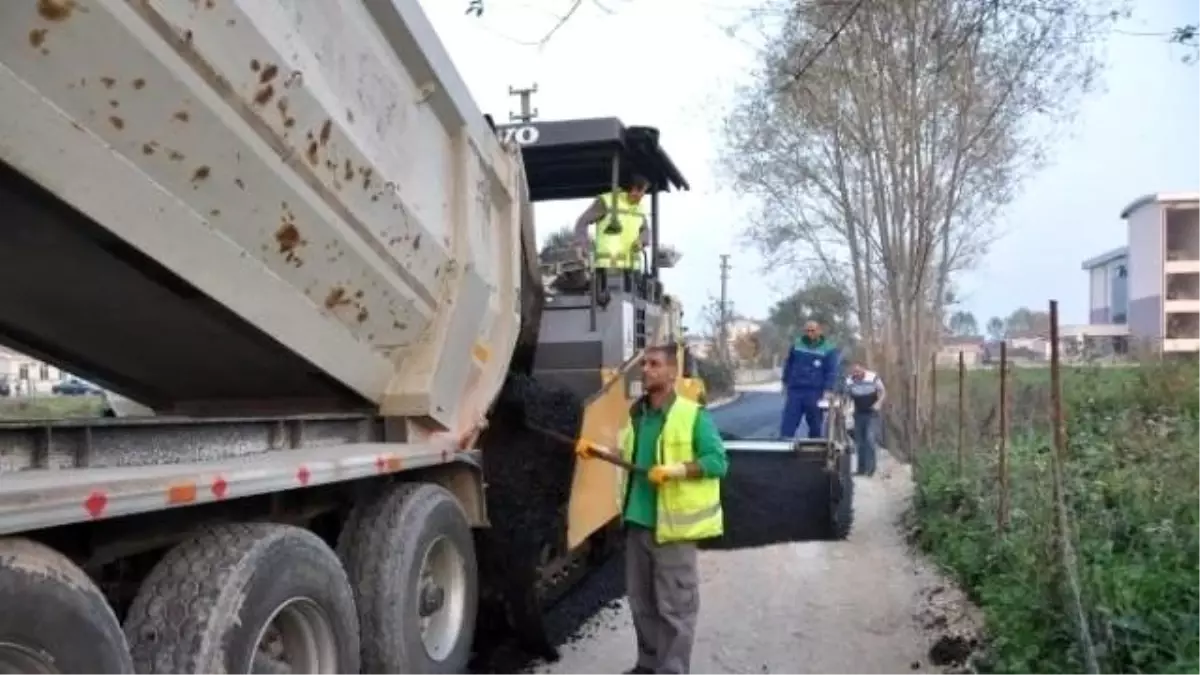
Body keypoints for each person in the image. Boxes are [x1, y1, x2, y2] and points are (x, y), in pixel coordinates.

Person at [577, 344, 729, 675]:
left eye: (654, 364)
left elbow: (719, 461)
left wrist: (676, 470)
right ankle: (648, 665)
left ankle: (672, 670)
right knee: (642, 604)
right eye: (644, 364)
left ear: (672, 372)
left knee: (675, 609)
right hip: (638, 524)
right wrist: (598, 450)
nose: (646, 369)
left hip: (672, 529)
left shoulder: (692, 415)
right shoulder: (637, 415)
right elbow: (630, 455)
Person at [573, 174, 651, 270]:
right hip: (608, 268)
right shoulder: (606, 202)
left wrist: (641, 240)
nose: (644, 195)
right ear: (634, 190)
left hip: (632, 270)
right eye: (643, 191)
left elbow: (645, 229)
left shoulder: (639, 208)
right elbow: (582, 222)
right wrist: (581, 244)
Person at [779, 320, 839, 439]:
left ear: (819, 331)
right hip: (796, 390)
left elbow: (831, 371)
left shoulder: (828, 349)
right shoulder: (797, 345)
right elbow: (789, 364)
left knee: (815, 424)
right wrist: (785, 382)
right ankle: (784, 444)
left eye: (813, 330)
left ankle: (815, 448)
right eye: (807, 331)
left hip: (815, 392)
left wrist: (828, 389)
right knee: (789, 421)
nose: (810, 333)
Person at [845, 361, 885, 477]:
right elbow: (847, 396)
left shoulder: (872, 377)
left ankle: (871, 469)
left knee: (870, 439)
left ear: (863, 369)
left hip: (872, 413)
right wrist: (847, 409)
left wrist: (879, 403)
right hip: (858, 413)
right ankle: (860, 469)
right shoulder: (849, 381)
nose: (856, 374)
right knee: (860, 442)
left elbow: (882, 391)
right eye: (854, 372)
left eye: (858, 371)